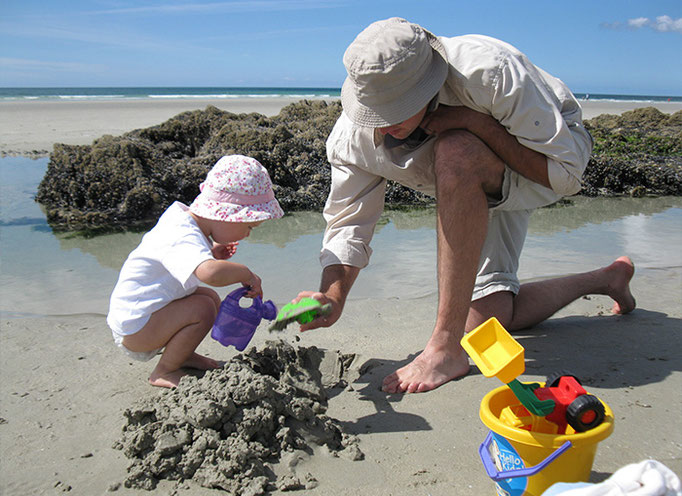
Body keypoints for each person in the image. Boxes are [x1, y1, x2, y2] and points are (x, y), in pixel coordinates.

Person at [294, 18, 636, 394]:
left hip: (543, 153)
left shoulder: (489, 72)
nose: (382, 126)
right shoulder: (351, 135)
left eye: (396, 112)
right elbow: (348, 223)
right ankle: (606, 278)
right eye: (374, 113)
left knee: (456, 149)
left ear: (428, 86)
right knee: (488, 322)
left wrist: (477, 123)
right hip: (470, 188)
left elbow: (566, 177)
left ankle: (445, 347)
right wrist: (332, 297)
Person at [107, 155, 284, 388]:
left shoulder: (182, 220)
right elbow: (209, 274)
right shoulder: (183, 235)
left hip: (142, 318)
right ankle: (164, 370)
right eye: (248, 226)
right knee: (202, 308)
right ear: (228, 215)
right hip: (136, 328)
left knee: (208, 298)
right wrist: (246, 274)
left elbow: (190, 258)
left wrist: (211, 250)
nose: (248, 234)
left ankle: (182, 354)